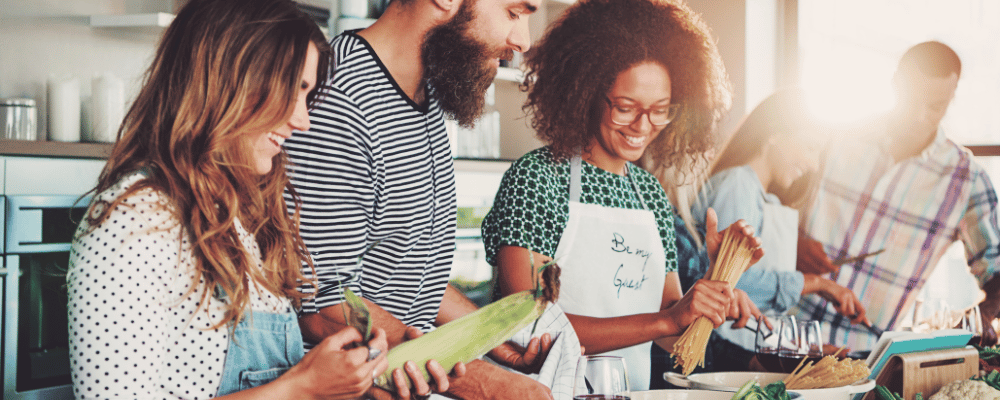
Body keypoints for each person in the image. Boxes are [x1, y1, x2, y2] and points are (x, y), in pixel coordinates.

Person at [64, 0, 447, 398]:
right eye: (293, 91)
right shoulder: (135, 220)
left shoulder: (244, 219)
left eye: (307, 95)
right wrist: (302, 387)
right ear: (231, 81)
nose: (303, 120)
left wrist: (356, 378)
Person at [480, 0, 767, 390]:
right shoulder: (537, 179)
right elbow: (525, 327)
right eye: (625, 107)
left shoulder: (649, 193)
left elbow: (671, 336)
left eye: (660, 110)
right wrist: (666, 319)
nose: (643, 126)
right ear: (585, 93)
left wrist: (715, 285)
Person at [282, 0, 559, 398]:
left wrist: (493, 339)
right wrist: (487, 384)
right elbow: (320, 306)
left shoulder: (421, 94)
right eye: (514, 14)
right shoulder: (340, 101)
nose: (522, 41)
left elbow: (409, 268)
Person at [795, 41, 1000, 351]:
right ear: (894, 84)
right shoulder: (836, 136)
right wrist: (791, 241)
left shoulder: (966, 179)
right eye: (910, 99)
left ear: (951, 100)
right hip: (782, 333)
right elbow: (772, 204)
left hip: (865, 358)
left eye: (935, 106)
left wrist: (980, 317)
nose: (919, 116)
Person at [689, 89, 867, 371]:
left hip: (752, 357)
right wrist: (818, 283)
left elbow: (761, 311)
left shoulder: (763, 197)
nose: (813, 164)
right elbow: (732, 285)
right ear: (773, 133)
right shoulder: (737, 184)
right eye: (810, 147)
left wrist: (802, 348)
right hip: (725, 361)